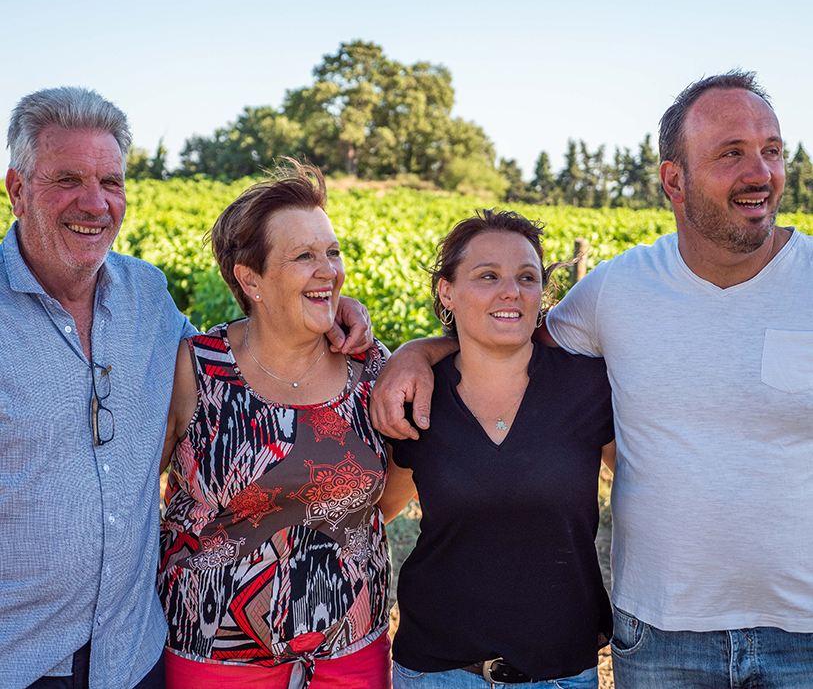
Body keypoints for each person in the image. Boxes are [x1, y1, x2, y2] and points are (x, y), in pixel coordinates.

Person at [371, 70, 813, 689]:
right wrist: (419, 352)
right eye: (731, 152)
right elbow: (511, 335)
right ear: (674, 180)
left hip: (804, 632)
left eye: (772, 150)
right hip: (661, 634)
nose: (760, 172)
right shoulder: (618, 289)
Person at [0, 89, 372, 689]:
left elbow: (245, 357)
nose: (94, 203)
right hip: (19, 662)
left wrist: (330, 307)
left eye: (112, 183)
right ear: (17, 190)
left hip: (132, 655)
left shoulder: (147, 296)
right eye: (67, 179)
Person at [157, 161, 392, 689]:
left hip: (350, 655)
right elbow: (134, 490)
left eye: (332, 252)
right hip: (212, 656)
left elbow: (389, 501)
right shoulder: (195, 367)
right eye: (304, 256)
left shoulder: (370, 367)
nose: (328, 269)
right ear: (250, 279)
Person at [379, 209, 615, 689]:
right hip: (436, 674)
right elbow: (381, 508)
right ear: (447, 291)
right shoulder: (419, 397)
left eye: (527, 277)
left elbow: (647, 489)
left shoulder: (589, 387)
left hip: (562, 674)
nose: (511, 291)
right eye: (488, 276)